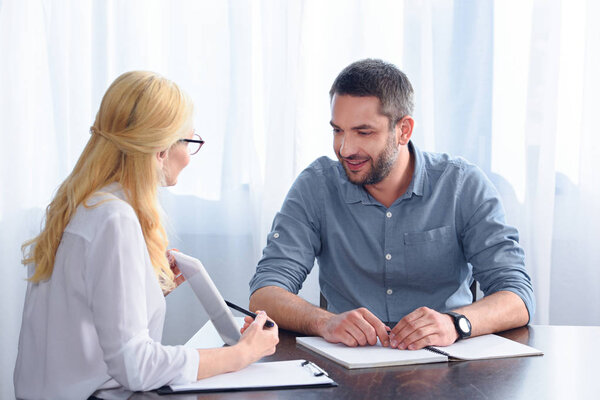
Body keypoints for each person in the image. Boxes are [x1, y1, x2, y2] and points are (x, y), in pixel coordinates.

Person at [14, 71, 278, 400]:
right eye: (190, 142)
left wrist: (147, 290)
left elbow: (77, 319)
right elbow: (136, 366)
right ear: (161, 150)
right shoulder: (115, 219)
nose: (188, 157)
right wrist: (242, 354)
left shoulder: (74, 206)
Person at [248, 59, 534, 351]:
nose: (345, 149)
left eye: (363, 132)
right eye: (338, 131)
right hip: (347, 369)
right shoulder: (316, 186)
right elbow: (265, 292)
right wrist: (324, 322)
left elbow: (518, 295)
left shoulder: (462, 185)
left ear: (404, 130)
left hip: (446, 365)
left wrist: (455, 323)